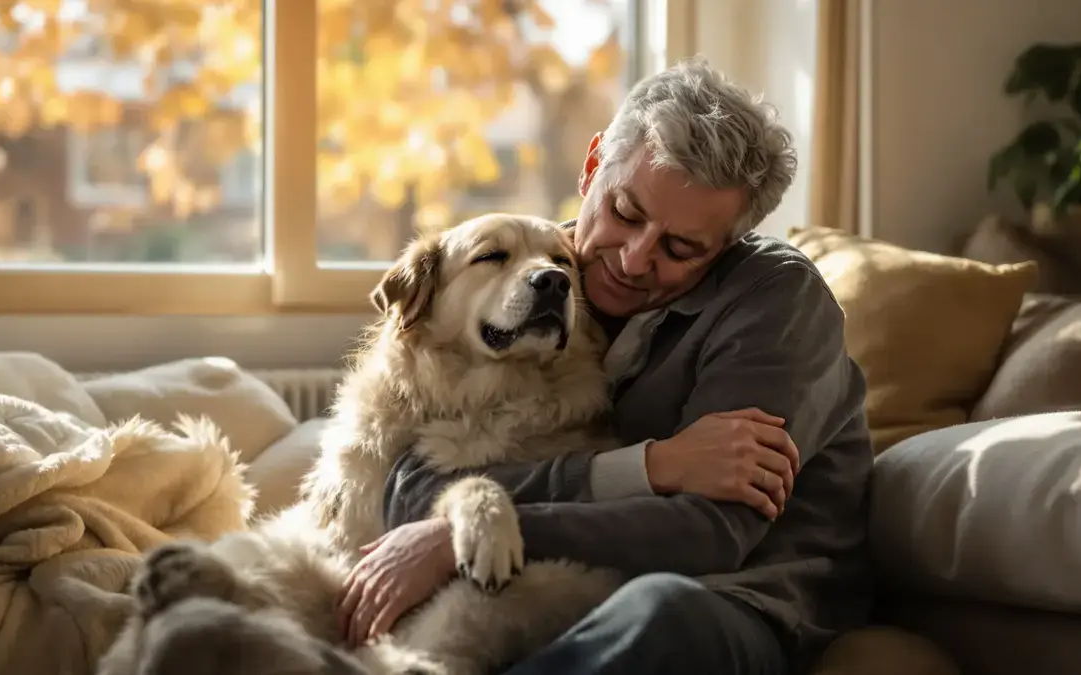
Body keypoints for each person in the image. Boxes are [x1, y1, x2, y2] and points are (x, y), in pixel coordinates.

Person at [335, 57, 874, 675]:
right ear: (593, 167)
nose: (635, 259)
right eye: (625, 212)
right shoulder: (535, 275)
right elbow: (411, 487)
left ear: (728, 247)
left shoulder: (777, 302)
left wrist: (469, 531)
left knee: (662, 612)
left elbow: (711, 534)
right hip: (553, 585)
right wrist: (648, 467)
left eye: (680, 248)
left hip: (740, 600)